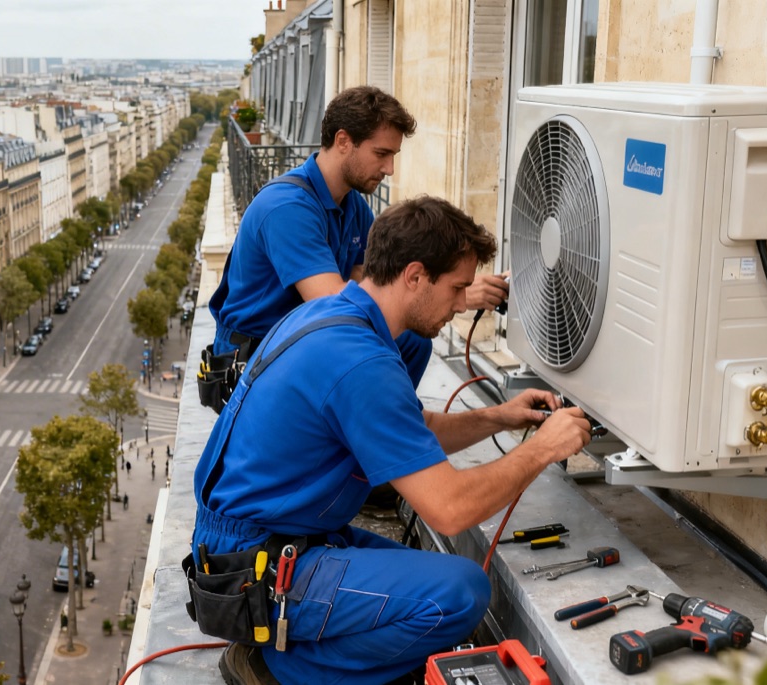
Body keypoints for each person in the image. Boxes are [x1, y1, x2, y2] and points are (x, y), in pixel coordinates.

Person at [190, 196, 590, 685]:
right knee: (459, 593)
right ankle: (275, 668)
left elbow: (412, 430)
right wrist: (544, 448)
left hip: (255, 548)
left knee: (427, 577)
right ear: (415, 276)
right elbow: (450, 509)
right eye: (457, 288)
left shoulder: (333, 317)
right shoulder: (361, 361)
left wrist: (499, 417)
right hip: (257, 570)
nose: (461, 304)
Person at [208, 86, 509, 387]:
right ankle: (372, 413)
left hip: (303, 338)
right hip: (257, 355)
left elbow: (376, 282)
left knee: (413, 342)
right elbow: (333, 304)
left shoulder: (353, 205)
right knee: (389, 338)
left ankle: (387, 411)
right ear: (343, 141)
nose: (389, 169)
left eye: (393, 155)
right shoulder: (286, 208)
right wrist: (449, 294)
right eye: (381, 154)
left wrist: (444, 284)